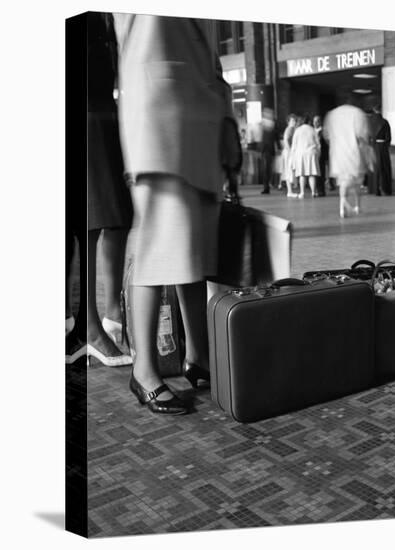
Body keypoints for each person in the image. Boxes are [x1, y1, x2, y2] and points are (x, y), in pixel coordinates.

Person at [114, 14, 235, 415]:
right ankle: (144, 370)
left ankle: (197, 355)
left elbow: (206, 55)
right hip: (160, 121)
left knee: (192, 249)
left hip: (197, 125)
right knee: (157, 246)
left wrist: (226, 121)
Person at [66, 12, 133, 368]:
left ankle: (112, 316)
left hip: (108, 107)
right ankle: (90, 328)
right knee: (93, 217)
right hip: (86, 109)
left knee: (119, 214)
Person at [324, 89, 372, 218]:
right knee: (356, 183)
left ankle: (342, 208)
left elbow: (326, 136)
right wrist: (368, 156)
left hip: (338, 155)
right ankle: (357, 206)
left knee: (343, 182)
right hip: (354, 153)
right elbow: (362, 137)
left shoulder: (331, 115)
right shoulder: (358, 113)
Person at [291, 114, 321, 198]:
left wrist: (293, 156)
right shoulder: (313, 130)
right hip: (312, 153)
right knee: (312, 174)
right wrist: (318, 154)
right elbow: (318, 144)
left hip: (300, 154)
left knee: (302, 174)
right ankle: (313, 192)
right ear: (309, 121)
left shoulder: (297, 130)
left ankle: (302, 192)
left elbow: (294, 145)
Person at [371, 104, 393, 195]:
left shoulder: (370, 122)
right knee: (384, 168)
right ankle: (386, 189)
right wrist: (386, 145)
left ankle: (375, 190)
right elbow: (388, 137)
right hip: (383, 147)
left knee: (375, 169)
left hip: (373, 147)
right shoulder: (385, 122)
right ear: (381, 110)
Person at [260, 108, 277, 194]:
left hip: (267, 150)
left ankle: (267, 186)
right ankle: (267, 186)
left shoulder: (269, 125)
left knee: (267, 169)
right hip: (267, 150)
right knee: (267, 169)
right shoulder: (268, 125)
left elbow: (273, 138)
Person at [281, 114, 298, 197]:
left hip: (289, 151)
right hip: (288, 152)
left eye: (295, 120)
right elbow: (286, 140)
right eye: (292, 120)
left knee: (290, 170)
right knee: (289, 171)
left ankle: (290, 190)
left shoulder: (292, 129)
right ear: (288, 121)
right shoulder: (290, 129)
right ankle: (290, 191)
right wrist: (290, 151)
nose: (294, 122)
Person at [313, 115, 328, 196]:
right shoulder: (312, 131)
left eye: (317, 121)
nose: (315, 123)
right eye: (314, 121)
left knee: (321, 173)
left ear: (320, 122)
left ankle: (321, 190)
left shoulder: (322, 131)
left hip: (321, 155)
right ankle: (316, 190)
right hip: (314, 154)